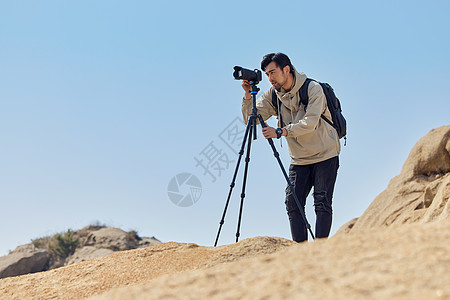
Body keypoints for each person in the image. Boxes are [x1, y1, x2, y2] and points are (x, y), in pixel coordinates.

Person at [241, 52, 340, 242]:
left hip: (325, 154)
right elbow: (250, 119)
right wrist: (248, 95)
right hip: (299, 159)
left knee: (322, 202)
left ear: (287, 69)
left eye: (273, 72)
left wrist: (281, 132)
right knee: (293, 203)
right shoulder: (274, 95)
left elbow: (310, 122)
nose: (270, 78)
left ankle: (321, 250)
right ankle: (300, 252)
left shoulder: (312, 89)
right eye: (267, 74)